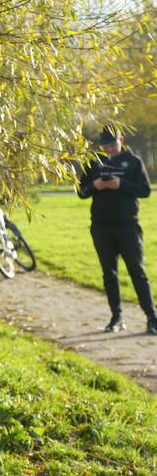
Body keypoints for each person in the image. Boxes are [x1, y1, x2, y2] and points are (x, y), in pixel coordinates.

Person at [77, 126, 156, 335]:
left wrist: (121, 184)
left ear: (121, 139)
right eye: (104, 145)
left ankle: (152, 317)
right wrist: (95, 185)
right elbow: (81, 192)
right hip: (101, 226)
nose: (109, 148)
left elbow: (145, 190)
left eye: (112, 144)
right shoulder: (94, 162)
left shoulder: (133, 162)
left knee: (137, 272)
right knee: (109, 274)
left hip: (128, 226)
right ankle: (116, 317)